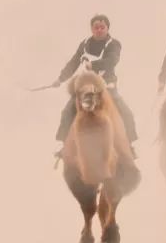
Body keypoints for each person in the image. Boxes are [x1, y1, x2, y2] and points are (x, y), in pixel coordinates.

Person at [54, 14, 138, 156]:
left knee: (126, 113)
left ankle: (129, 144)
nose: (99, 30)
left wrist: (93, 64)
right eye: (96, 27)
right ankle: (64, 145)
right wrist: (61, 78)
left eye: (102, 27)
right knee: (67, 111)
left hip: (106, 88)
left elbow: (112, 60)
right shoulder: (85, 43)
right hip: (85, 88)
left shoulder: (113, 44)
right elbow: (74, 61)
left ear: (107, 28)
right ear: (92, 29)